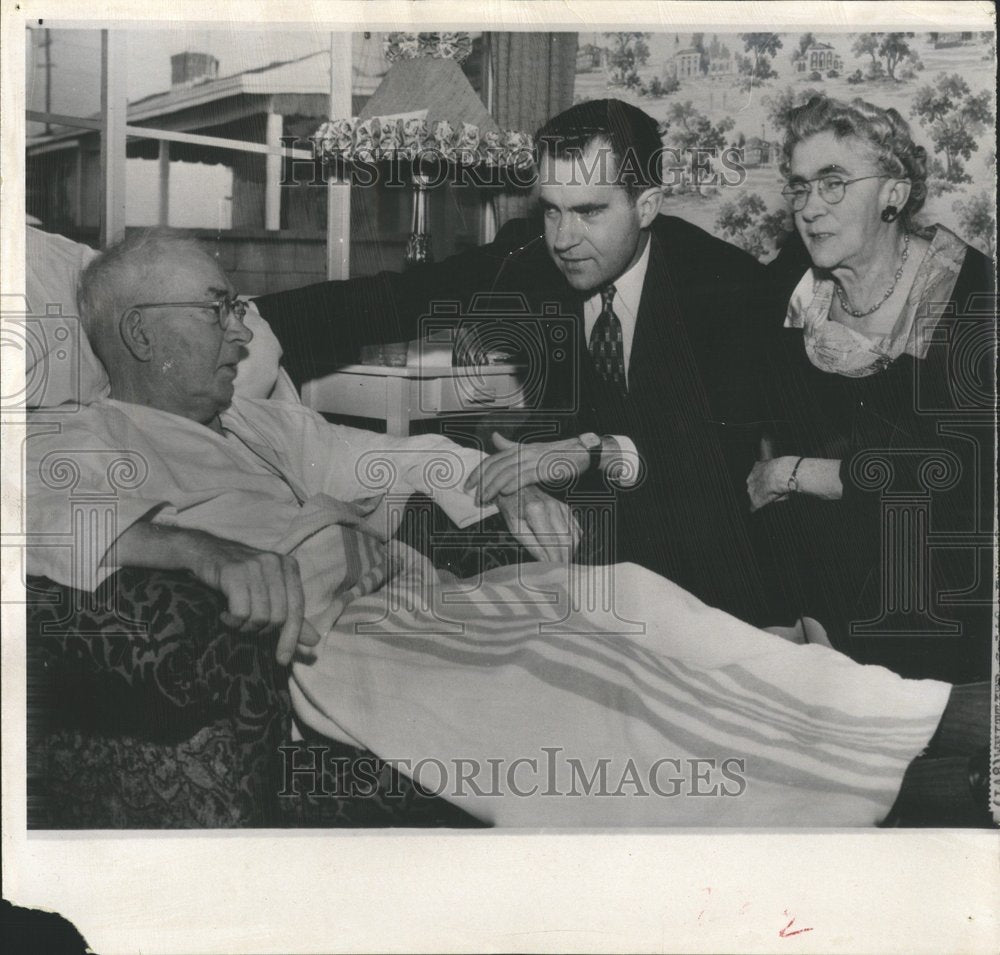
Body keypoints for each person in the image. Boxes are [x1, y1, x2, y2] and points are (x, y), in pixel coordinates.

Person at [25, 231, 985, 828]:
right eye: (220, 307)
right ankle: (912, 758)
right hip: (349, 640)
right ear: (144, 335)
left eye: (240, 306)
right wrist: (204, 549)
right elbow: (33, 514)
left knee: (628, 596)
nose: (245, 329)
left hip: (419, 593)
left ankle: (916, 715)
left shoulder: (255, 419)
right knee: (584, 686)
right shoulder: (89, 432)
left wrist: (499, 478)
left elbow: (380, 461)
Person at [254, 100, 786, 628]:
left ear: (646, 205)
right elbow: (401, 297)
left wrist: (595, 452)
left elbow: (717, 456)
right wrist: (248, 318)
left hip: (694, 550)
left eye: (589, 211)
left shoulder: (726, 286)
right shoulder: (531, 261)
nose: (563, 239)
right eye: (551, 209)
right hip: (566, 536)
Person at [748, 95, 995, 684]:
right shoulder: (797, 279)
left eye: (834, 184)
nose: (810, 207)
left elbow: (954, 472)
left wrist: (793, 471)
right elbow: (752, 395)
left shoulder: (968, 296)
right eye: (801, 187)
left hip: (935, 576)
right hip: (826, 563)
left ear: (894, 193)